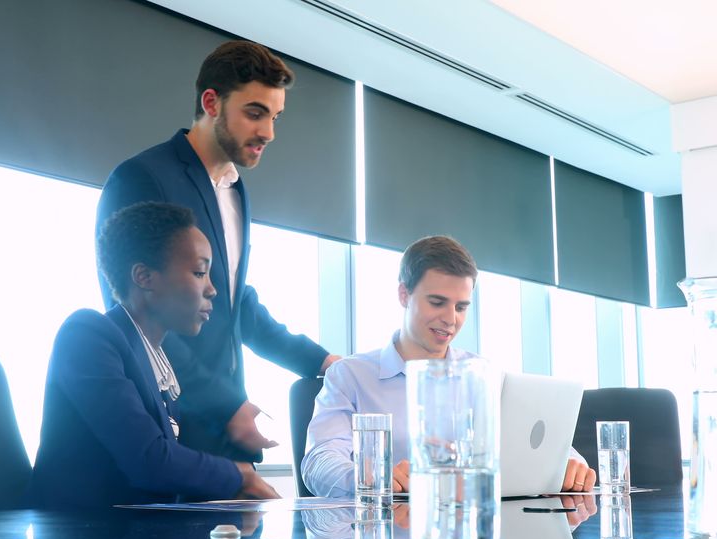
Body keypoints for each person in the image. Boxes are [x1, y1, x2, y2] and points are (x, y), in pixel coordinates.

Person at [96, 40, 339, 463]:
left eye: (275, 116)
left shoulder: (235, 191)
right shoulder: (142, 177)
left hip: (225, 433)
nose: (269, 132)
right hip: (163, 429)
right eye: (255, 113)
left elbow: (235, 304)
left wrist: (322, 362)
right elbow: (133, 315)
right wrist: (222, 406)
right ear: (211, 102)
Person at [301, 236, 597, 497]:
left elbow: (537, 447)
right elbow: (319, 461)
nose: (451, 319)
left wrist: (572, 466)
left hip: (470, 532)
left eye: (461, 307)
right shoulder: (351, 376)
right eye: (437, 302)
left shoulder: (484, 375)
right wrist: (370, 478)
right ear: (404, 295)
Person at [31, 202, 279, 509]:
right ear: (144, 277)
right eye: (200, 272)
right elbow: (150, 461)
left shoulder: (155, 358)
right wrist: (241, 477)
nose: (212, 290)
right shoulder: (88, 335)